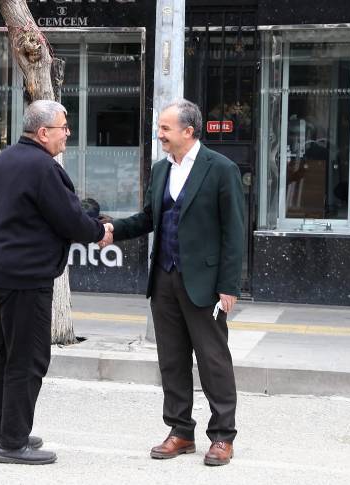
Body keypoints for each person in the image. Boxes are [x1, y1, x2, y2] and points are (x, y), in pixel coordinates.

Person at [100, 99, 245, 466]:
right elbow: (150, 217)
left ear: (188, 131)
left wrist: (229, 286)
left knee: (213, 360)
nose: (159, 134)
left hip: (205, 283)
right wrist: (113, 230)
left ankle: (223, 436)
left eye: (165, 129)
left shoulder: (221, 169)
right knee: (172, 360)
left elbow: (234, 231)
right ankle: (180, 431)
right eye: (160, 128)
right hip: (164, 278)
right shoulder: (161, 169)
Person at [0, 100, 108, 465]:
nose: (68, 133)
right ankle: (12, 443)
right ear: (44, 132)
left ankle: (4, 432)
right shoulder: (43, 168)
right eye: (64, 127)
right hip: (25, 279)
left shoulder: (1, 161)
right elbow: (70, 220)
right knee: (28, 360)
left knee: (6, 357)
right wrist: (100, 231)